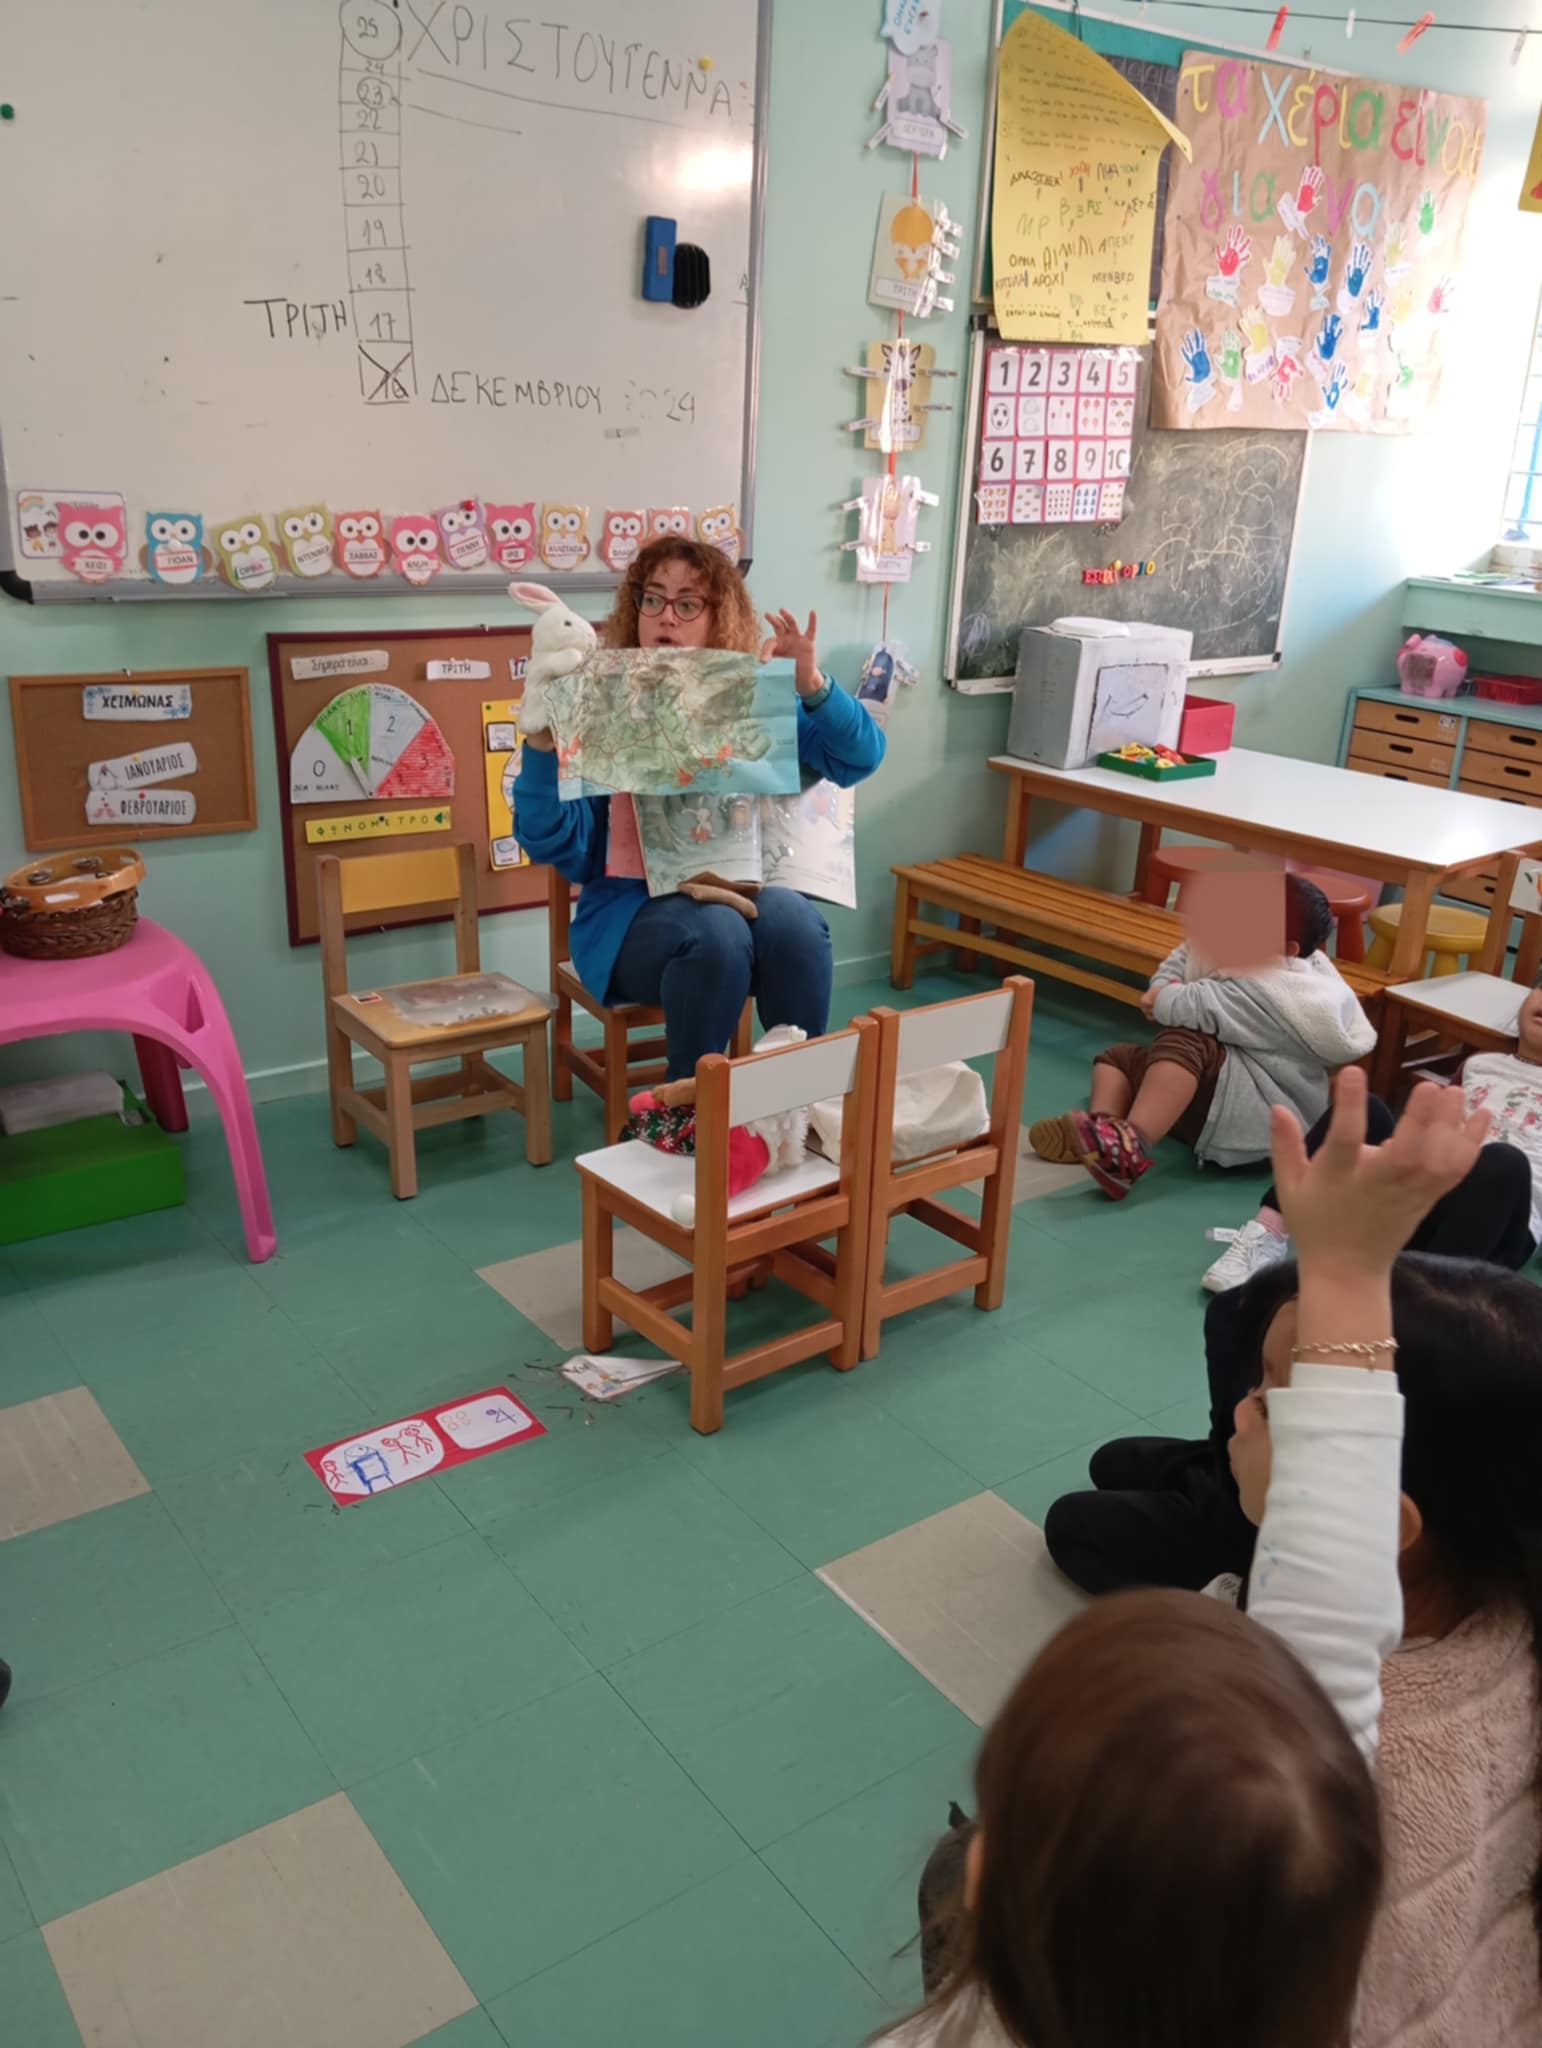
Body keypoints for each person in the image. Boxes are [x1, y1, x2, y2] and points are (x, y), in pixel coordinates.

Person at [887, 1072, 1496, 2048]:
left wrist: (1347, 1270)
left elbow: (1323, 1641)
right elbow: (1326, 1643)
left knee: (936, 1872)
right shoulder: (1307, 1879)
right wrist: (1347, 1272)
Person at [513, 537, 885, 1081]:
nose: (667, 616)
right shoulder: (601, 700)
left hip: (744, 895)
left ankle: (797, 1097)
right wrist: (543, 746)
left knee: (797, 922)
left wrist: (812, 687)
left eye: (688, 604)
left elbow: (858, 758)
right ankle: (689, 1107)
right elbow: (553, 841)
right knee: (716, 931)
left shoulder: (751, 697)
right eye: (653, 599)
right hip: (631, 919)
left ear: (719, 617)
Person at [1029, 873, 1375, 1199]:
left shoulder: (1278, 992)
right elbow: (1183, 957)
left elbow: (1193, 1005)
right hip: (1214, 1093)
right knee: (1117, 1059)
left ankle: (1131, 1147)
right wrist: (1164, 985)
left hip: (1253, 1114)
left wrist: (1162, 998)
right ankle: (1105, 1136)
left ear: (1287, 949)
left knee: (1185, 1038)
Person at [1202, 981, 1542, 1292]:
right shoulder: (1480, 1065)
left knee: (1503, 1160)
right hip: (1427, 1196)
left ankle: (1427, 1298)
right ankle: (1268, 1233)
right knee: (1364, 1107)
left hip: (1499, 1222)